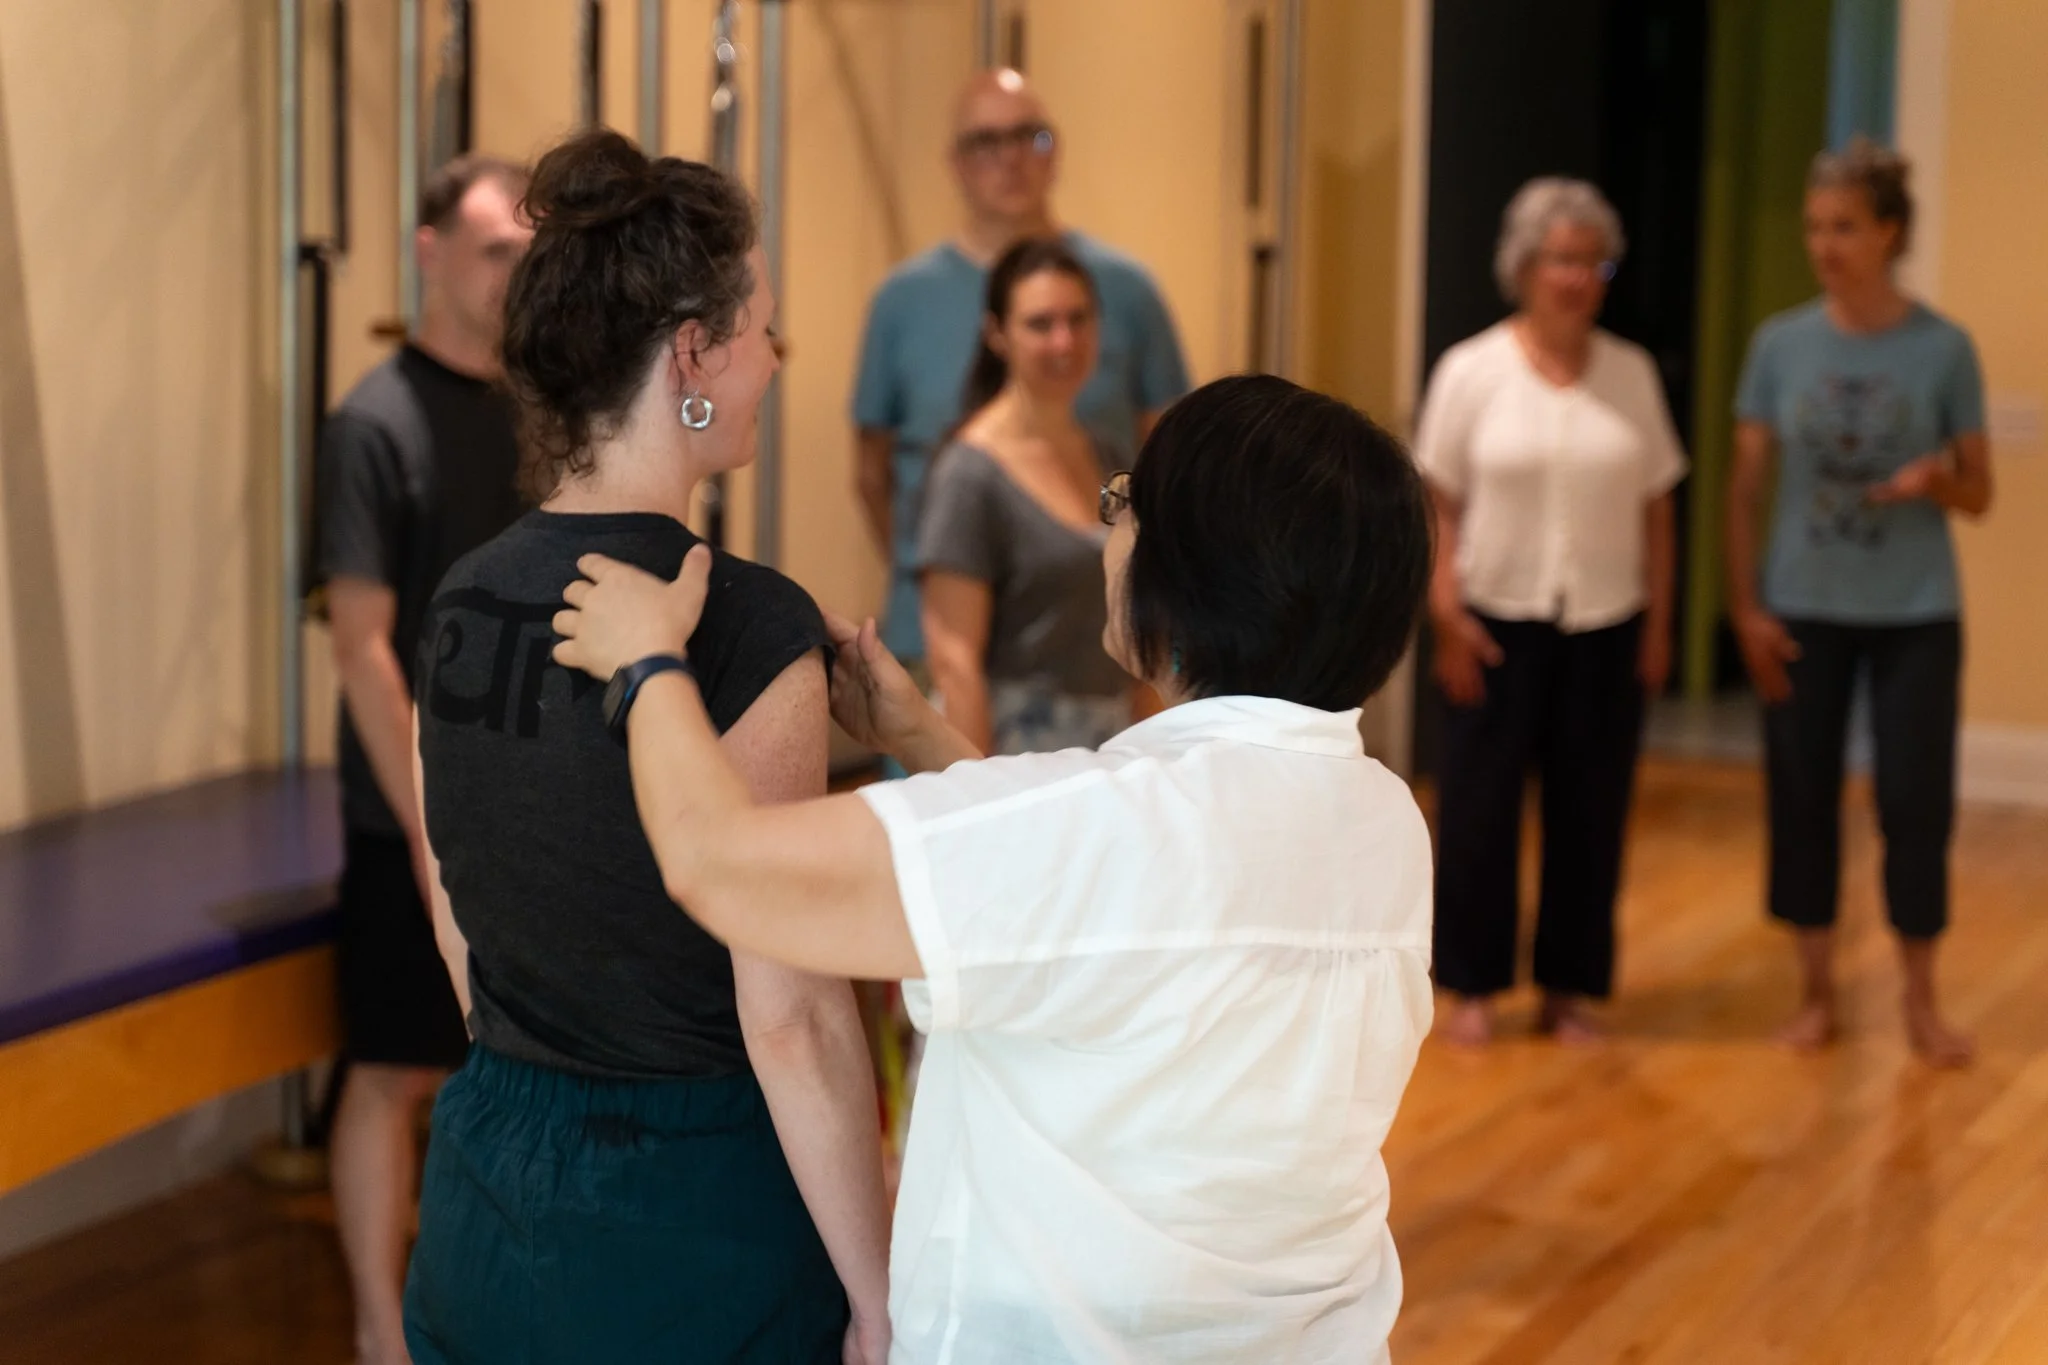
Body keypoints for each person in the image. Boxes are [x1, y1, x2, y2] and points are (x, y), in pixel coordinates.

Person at [553, 374, 1437, 1363]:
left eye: (1121, 505)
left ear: (1188, 572)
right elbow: (1093, 912)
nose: (1110, 531)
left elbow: (719, 865)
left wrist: (646, 667)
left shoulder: (1116, 827)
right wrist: (921, 736)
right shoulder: (1382, 820)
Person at [403, 131, 891, 1363]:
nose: (775, 362)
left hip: (482, 1197)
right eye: (764, 330)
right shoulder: (746, 623)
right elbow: (786, 1015)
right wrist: (883, 1296)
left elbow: (456, 889)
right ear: (693, 355)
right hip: (691, 1219)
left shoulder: (461, 596)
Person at [311, 153, 531, 1365]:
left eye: (523, 253)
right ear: (429, 249)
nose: (511, 273)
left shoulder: (542, 411)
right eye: (494, 248)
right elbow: (362, 647)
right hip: (408, 810)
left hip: (521, 800)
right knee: (395, 1066)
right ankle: (373, 1334)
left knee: (501, 1070)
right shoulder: (373, 423)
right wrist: (426, 820)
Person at [1725, 139, 1991, 1068]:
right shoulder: (1779, 345)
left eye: (1843, 226)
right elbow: (1745, 485)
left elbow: (1981, 492)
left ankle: (1921, 1001)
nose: (1824, 244)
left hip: (1917, 610)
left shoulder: (1944, 347)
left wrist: (1937, 478)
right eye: (1813, 226)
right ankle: (1815, 995)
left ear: (1889, 231)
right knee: (1802, 799)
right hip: (1803, 603)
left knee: (1916, 803)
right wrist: (1746, 607)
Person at [1414, 177, 1686, 1048]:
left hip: (1607, 624)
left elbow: (1658, 507)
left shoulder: (1632, 374)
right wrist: (1445, 613)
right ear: (1525, 265)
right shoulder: (1471, 369)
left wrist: (1659, 625)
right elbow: (1439, 504)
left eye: (1592, 261)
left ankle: (1570, 987)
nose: (1576, 276)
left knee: (1591, 811)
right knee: (1479, 810)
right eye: (1561, 258)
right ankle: (1472, 983)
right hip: (1493, 623)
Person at [852, 67, 1190, 676]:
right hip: (936, 640)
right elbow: (871, 472)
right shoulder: (902, 300)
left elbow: (1167, 461)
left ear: (1054, 150)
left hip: (1090, 644)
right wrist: (942, 567)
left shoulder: (1128, 291)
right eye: (986, 143)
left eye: (1028, 137)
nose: (1010, 160)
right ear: (955, 162)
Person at [921, 237, 1131, 755]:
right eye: (1041, 324)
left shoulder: (1107, 454)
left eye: (1078, 319)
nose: (1064, 341)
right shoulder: (969, 473)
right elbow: (954, 662)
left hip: (1109, 740)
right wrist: (983, 792)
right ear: (997, 334)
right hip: (1017, 747)